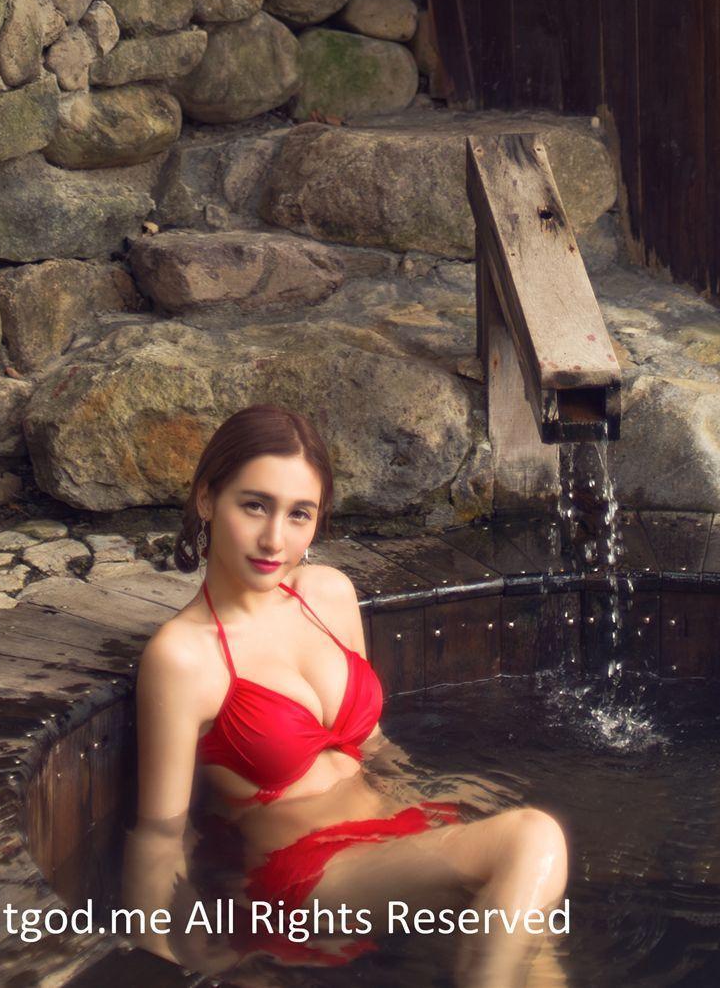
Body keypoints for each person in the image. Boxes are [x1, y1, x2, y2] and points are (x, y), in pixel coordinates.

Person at [122, 405, 569, 985]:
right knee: (533, 837)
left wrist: (429, 789)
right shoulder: (185, 656)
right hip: (310, 873)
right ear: (208, 499)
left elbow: (370, 744)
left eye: (299, 514)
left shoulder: (329, 594)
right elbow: (159, 833)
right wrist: (161, 953)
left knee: (533, 942)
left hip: (395, 826)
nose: (274, 539)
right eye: (254, 505)